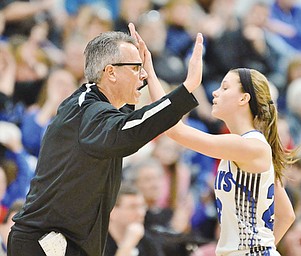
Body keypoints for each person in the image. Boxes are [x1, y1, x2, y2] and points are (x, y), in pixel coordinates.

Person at [7, 24, 204, 256]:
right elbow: (131, 129)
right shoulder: (86, 110)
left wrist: (147, 70)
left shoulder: (96, 108)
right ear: (110, 72)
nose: (142, 76)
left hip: (64, 245)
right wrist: (187, 87)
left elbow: (126, 120)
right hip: (45, 244)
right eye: (136, 68)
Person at [132, 19, 295, 254]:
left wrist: (161, 75)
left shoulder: (249, 146)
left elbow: (173, 128)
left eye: (226, 88)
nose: (216, 93)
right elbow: (286, 214)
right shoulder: (249, 146)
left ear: (244, 99)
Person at [104, 182, 164, 256]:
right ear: (112, 212)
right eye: (132, 207)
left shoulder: (147, 242)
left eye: (142, 206)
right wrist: (128, 244)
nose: (141, 213)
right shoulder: (98, 242)